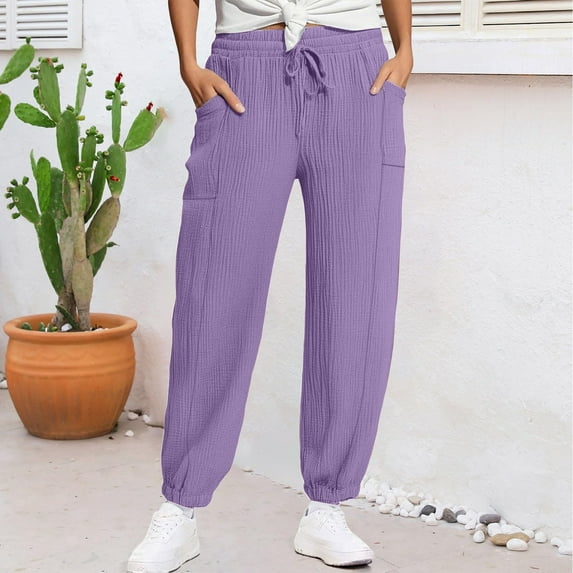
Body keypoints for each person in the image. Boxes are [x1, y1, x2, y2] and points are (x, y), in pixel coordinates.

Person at [127, 0, 412, 570]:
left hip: (356, 69)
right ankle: (180, 505)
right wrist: (188, 62)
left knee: (356, 295)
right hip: (244, 66)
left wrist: (405, 50)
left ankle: (327, 506)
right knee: (213, 296)